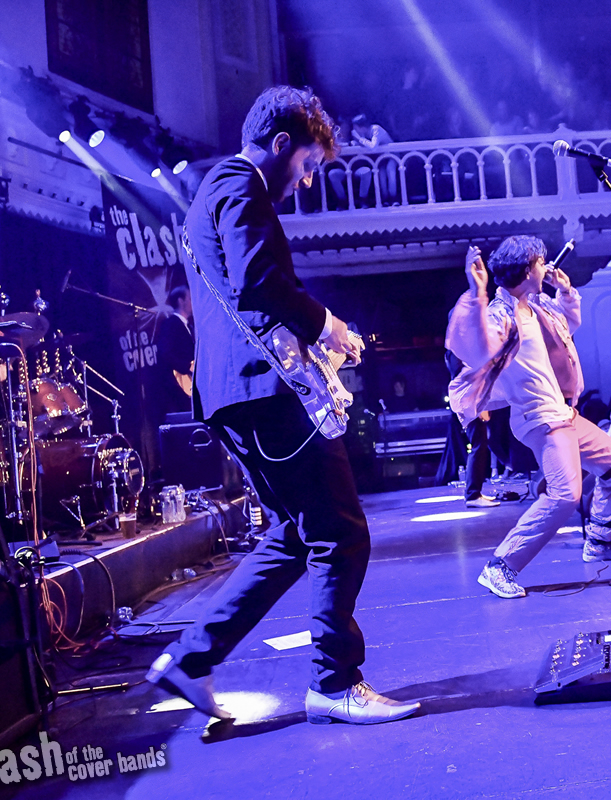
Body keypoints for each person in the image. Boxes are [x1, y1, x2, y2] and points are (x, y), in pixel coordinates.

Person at [146, 86, 419, 726]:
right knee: (342, 532)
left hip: (237, 394)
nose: (304, 184)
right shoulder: (241, 187)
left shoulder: (209, 194)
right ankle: (334, 681)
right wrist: (331, 329)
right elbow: (260, 285)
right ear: (279, 147)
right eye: (306, 167)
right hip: (264, 393)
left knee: (295, 536)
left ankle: (192, 658)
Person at [446, 236, 611, 599]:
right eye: (540, 262)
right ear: (527, 268)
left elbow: (569, 329)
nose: (546, 266)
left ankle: (600, 538)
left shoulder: (536, 307)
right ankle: (500, 566)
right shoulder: (500, 314)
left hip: (562, 412)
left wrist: (566, 292)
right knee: (565, 494)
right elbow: (473, 346)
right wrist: (477, 290)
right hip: (539, 416)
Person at [155, 285, 195, 417]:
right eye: (189, 298)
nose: (192, 301)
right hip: (177, 385)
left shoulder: (189, 326)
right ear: (180, 301)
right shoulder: (171, 324)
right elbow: (165, 352)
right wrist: (186, 368)